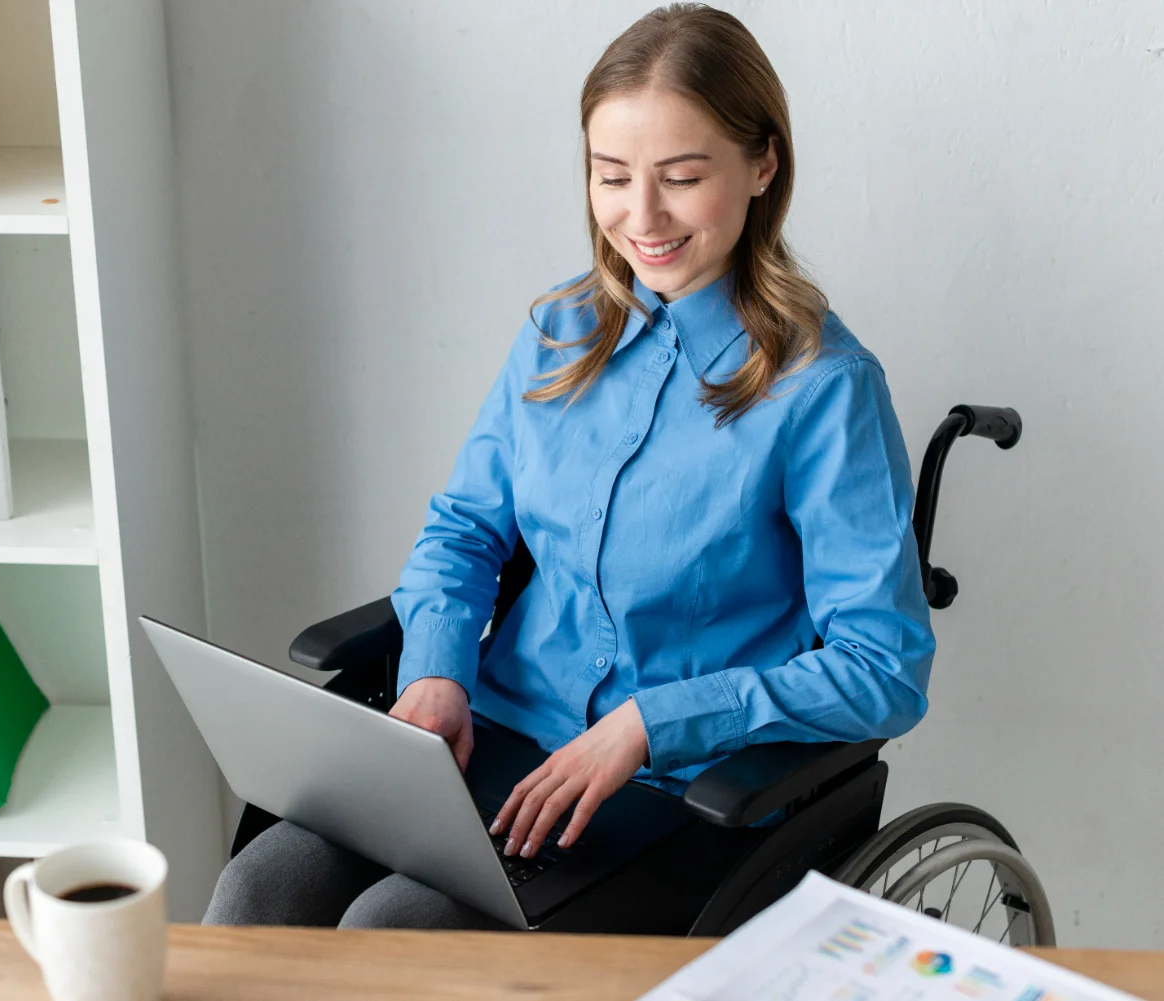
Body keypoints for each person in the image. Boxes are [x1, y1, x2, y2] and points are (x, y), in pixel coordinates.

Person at [204, 2, 935, 930]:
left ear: (762, 164)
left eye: (681, 177)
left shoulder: (824, 390)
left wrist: (651, 722)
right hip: (496, 733)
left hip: (676, 791)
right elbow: (465, 532)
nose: (643, 216)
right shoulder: (561, 333)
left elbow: (884, 669)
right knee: (258, 891)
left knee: (390, 934)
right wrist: (435, 674)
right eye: (612, 176)